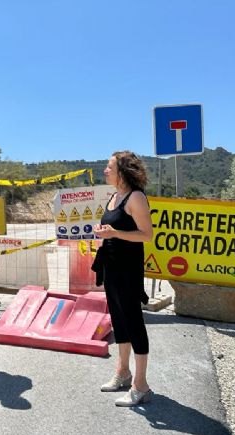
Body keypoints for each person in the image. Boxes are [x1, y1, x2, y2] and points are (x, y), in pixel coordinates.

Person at [93, 150, 153, 407]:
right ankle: (123, 372)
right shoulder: (114, 197)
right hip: (112, 268)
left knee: (134, 323)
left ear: (122, 171)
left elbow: (146, 235)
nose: (105, 171)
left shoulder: (135, 197)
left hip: (128, 271)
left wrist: (115, 232)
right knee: (119, 321)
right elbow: (115, 232)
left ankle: (141, 385)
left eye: (109, 167)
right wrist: (106, 235)